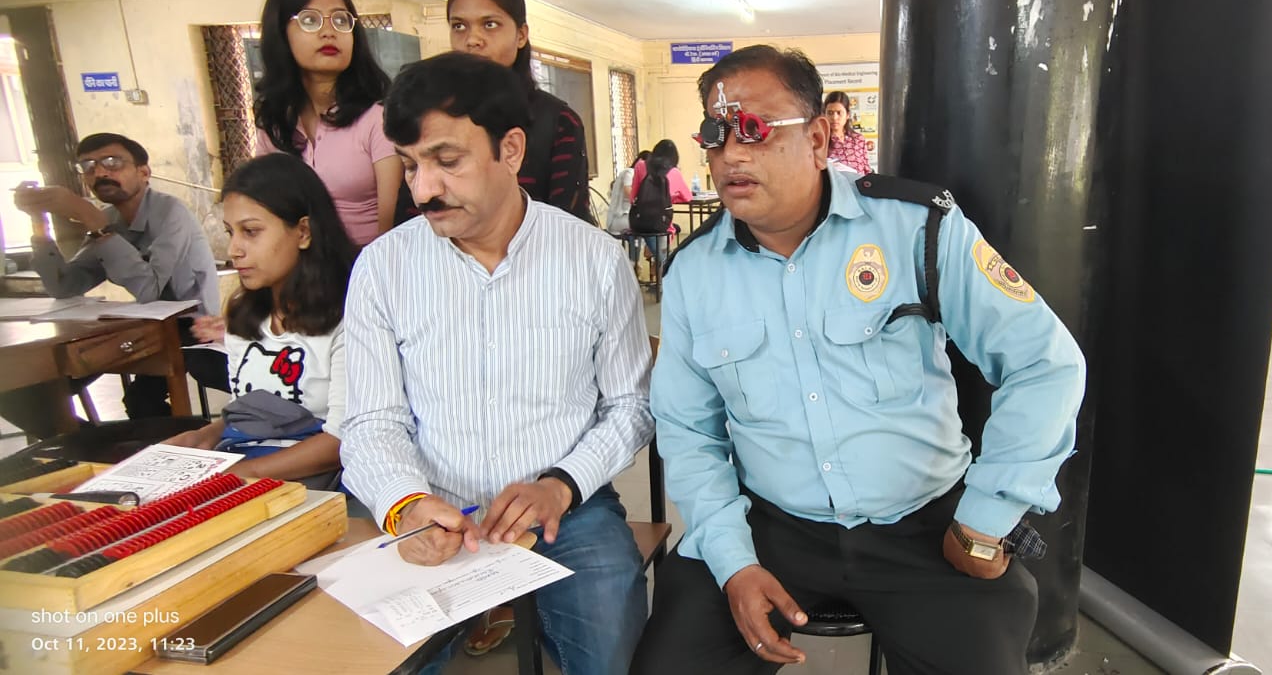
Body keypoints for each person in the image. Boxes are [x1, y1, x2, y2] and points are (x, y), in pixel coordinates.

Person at [632, 45, 1087, 675]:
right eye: (715, 134)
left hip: (924, 524)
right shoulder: (695, 272)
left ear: (819, 138)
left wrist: (986, 517)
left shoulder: (915, 228)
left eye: (754, 129)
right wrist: (734, 562)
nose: (731, 154)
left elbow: (1045, 361)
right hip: (771, 524)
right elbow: (687, 430)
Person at [340, 53, 651, 673]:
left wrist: (560, 486)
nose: (423, 190)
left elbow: (631, 406)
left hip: (567, 510)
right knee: (369, 658)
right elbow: (371, 421)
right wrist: (404, 505)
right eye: (410, 165)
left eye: (447, 161)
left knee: (612, 650)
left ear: (510, 150)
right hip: (431, 507)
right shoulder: (383, 268)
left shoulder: (592, 259)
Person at [162, 154, 354, 485]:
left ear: (303, 232)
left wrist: (236, 477)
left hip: (324, 487)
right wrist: (203, 437)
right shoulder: (244, 314)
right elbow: (248, 417)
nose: (234, 249)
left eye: (251, 231)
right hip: (252, 470)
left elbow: (341, 442)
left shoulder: (349, 317)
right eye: (230, 232)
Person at [3, 133, 219, 427]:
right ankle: (85, 442)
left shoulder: (170, 212)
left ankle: (191, 444)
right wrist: (39, 223)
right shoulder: (108, 218)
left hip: (191, 326)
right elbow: (65, 286)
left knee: (140, 400)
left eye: (112, 162)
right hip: (142, 325)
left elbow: (150, 290)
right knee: (25, 393)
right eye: (88, 166)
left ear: (144, 172)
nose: (100, 172)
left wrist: (93, 221)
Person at [253, 0, 401, 246]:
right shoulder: (275, 123)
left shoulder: (378, 117)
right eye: (310, 20)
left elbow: (391, 233)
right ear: (281, 33)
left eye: (340, 20)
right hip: (299, 264)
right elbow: (264, 206)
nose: (329, 32)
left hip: (366, 264)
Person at [441, 0, 592, 223]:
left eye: (489, 24)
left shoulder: (559, 123)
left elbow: (567, 226)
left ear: (521, 35)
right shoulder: (432, 119)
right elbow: (412, 219)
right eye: (459, 26)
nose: (472, 39)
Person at [628, 139, 692, 269]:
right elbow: (688, 197)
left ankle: (634, 265)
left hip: (638, 222)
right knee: (664, 258)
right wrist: (671, 199)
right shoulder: (674, 171)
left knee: (637, 238)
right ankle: (661, 270)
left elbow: (633, 196)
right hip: (659, 225)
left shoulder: (640, 165)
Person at [823, 90, 872, 174]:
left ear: (847, 115)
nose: (834, 117)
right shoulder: (821, 141)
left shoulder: (858, 140)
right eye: (830, 113)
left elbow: (866, 170)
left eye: (839, 113)